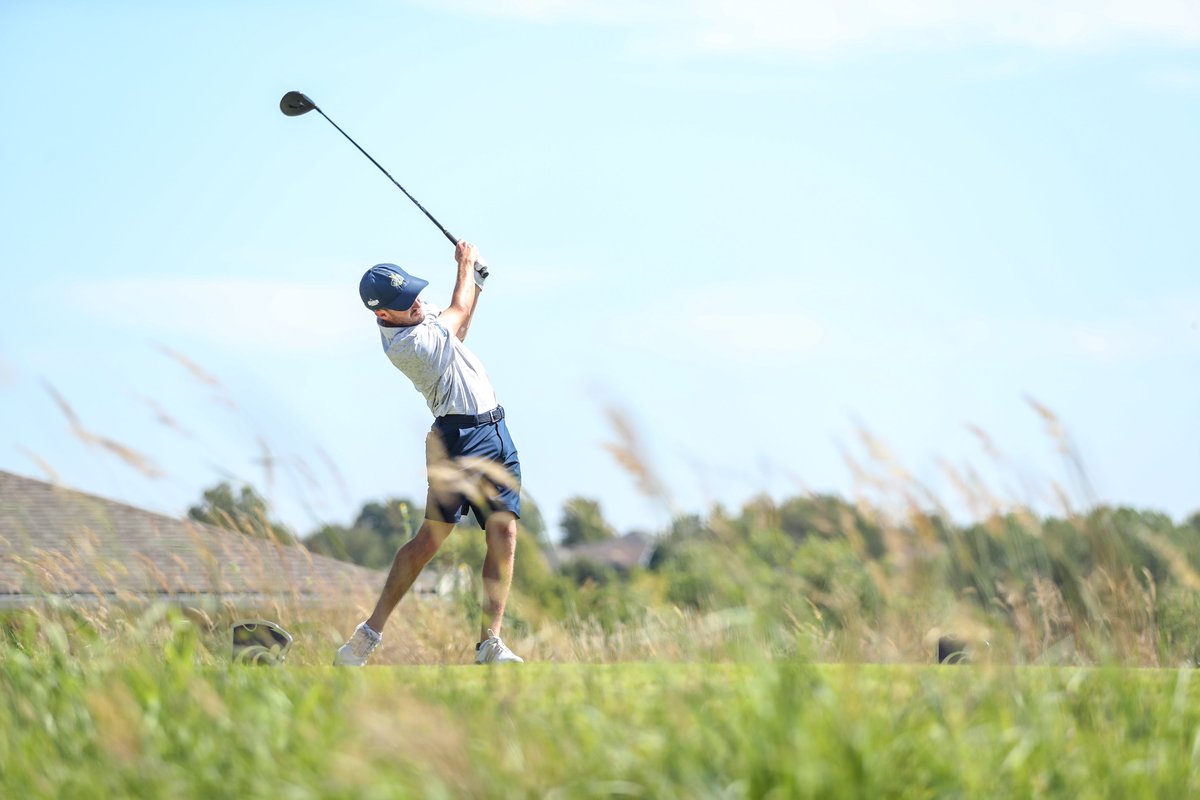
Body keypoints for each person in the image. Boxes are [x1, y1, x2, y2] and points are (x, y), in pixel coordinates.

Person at [334, 241, 524, 666]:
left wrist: (476, 282)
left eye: (415, 292)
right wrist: (465, 266)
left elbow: (460, 329)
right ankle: (368, 635)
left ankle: (489, 644)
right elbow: (456, 310)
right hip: (456, 441)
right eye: (406, 302)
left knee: (505, 533)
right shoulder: (408, 344)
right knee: (430, 540)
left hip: (496, 430)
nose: (418, 303)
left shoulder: (418, 316)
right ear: (383, 315)